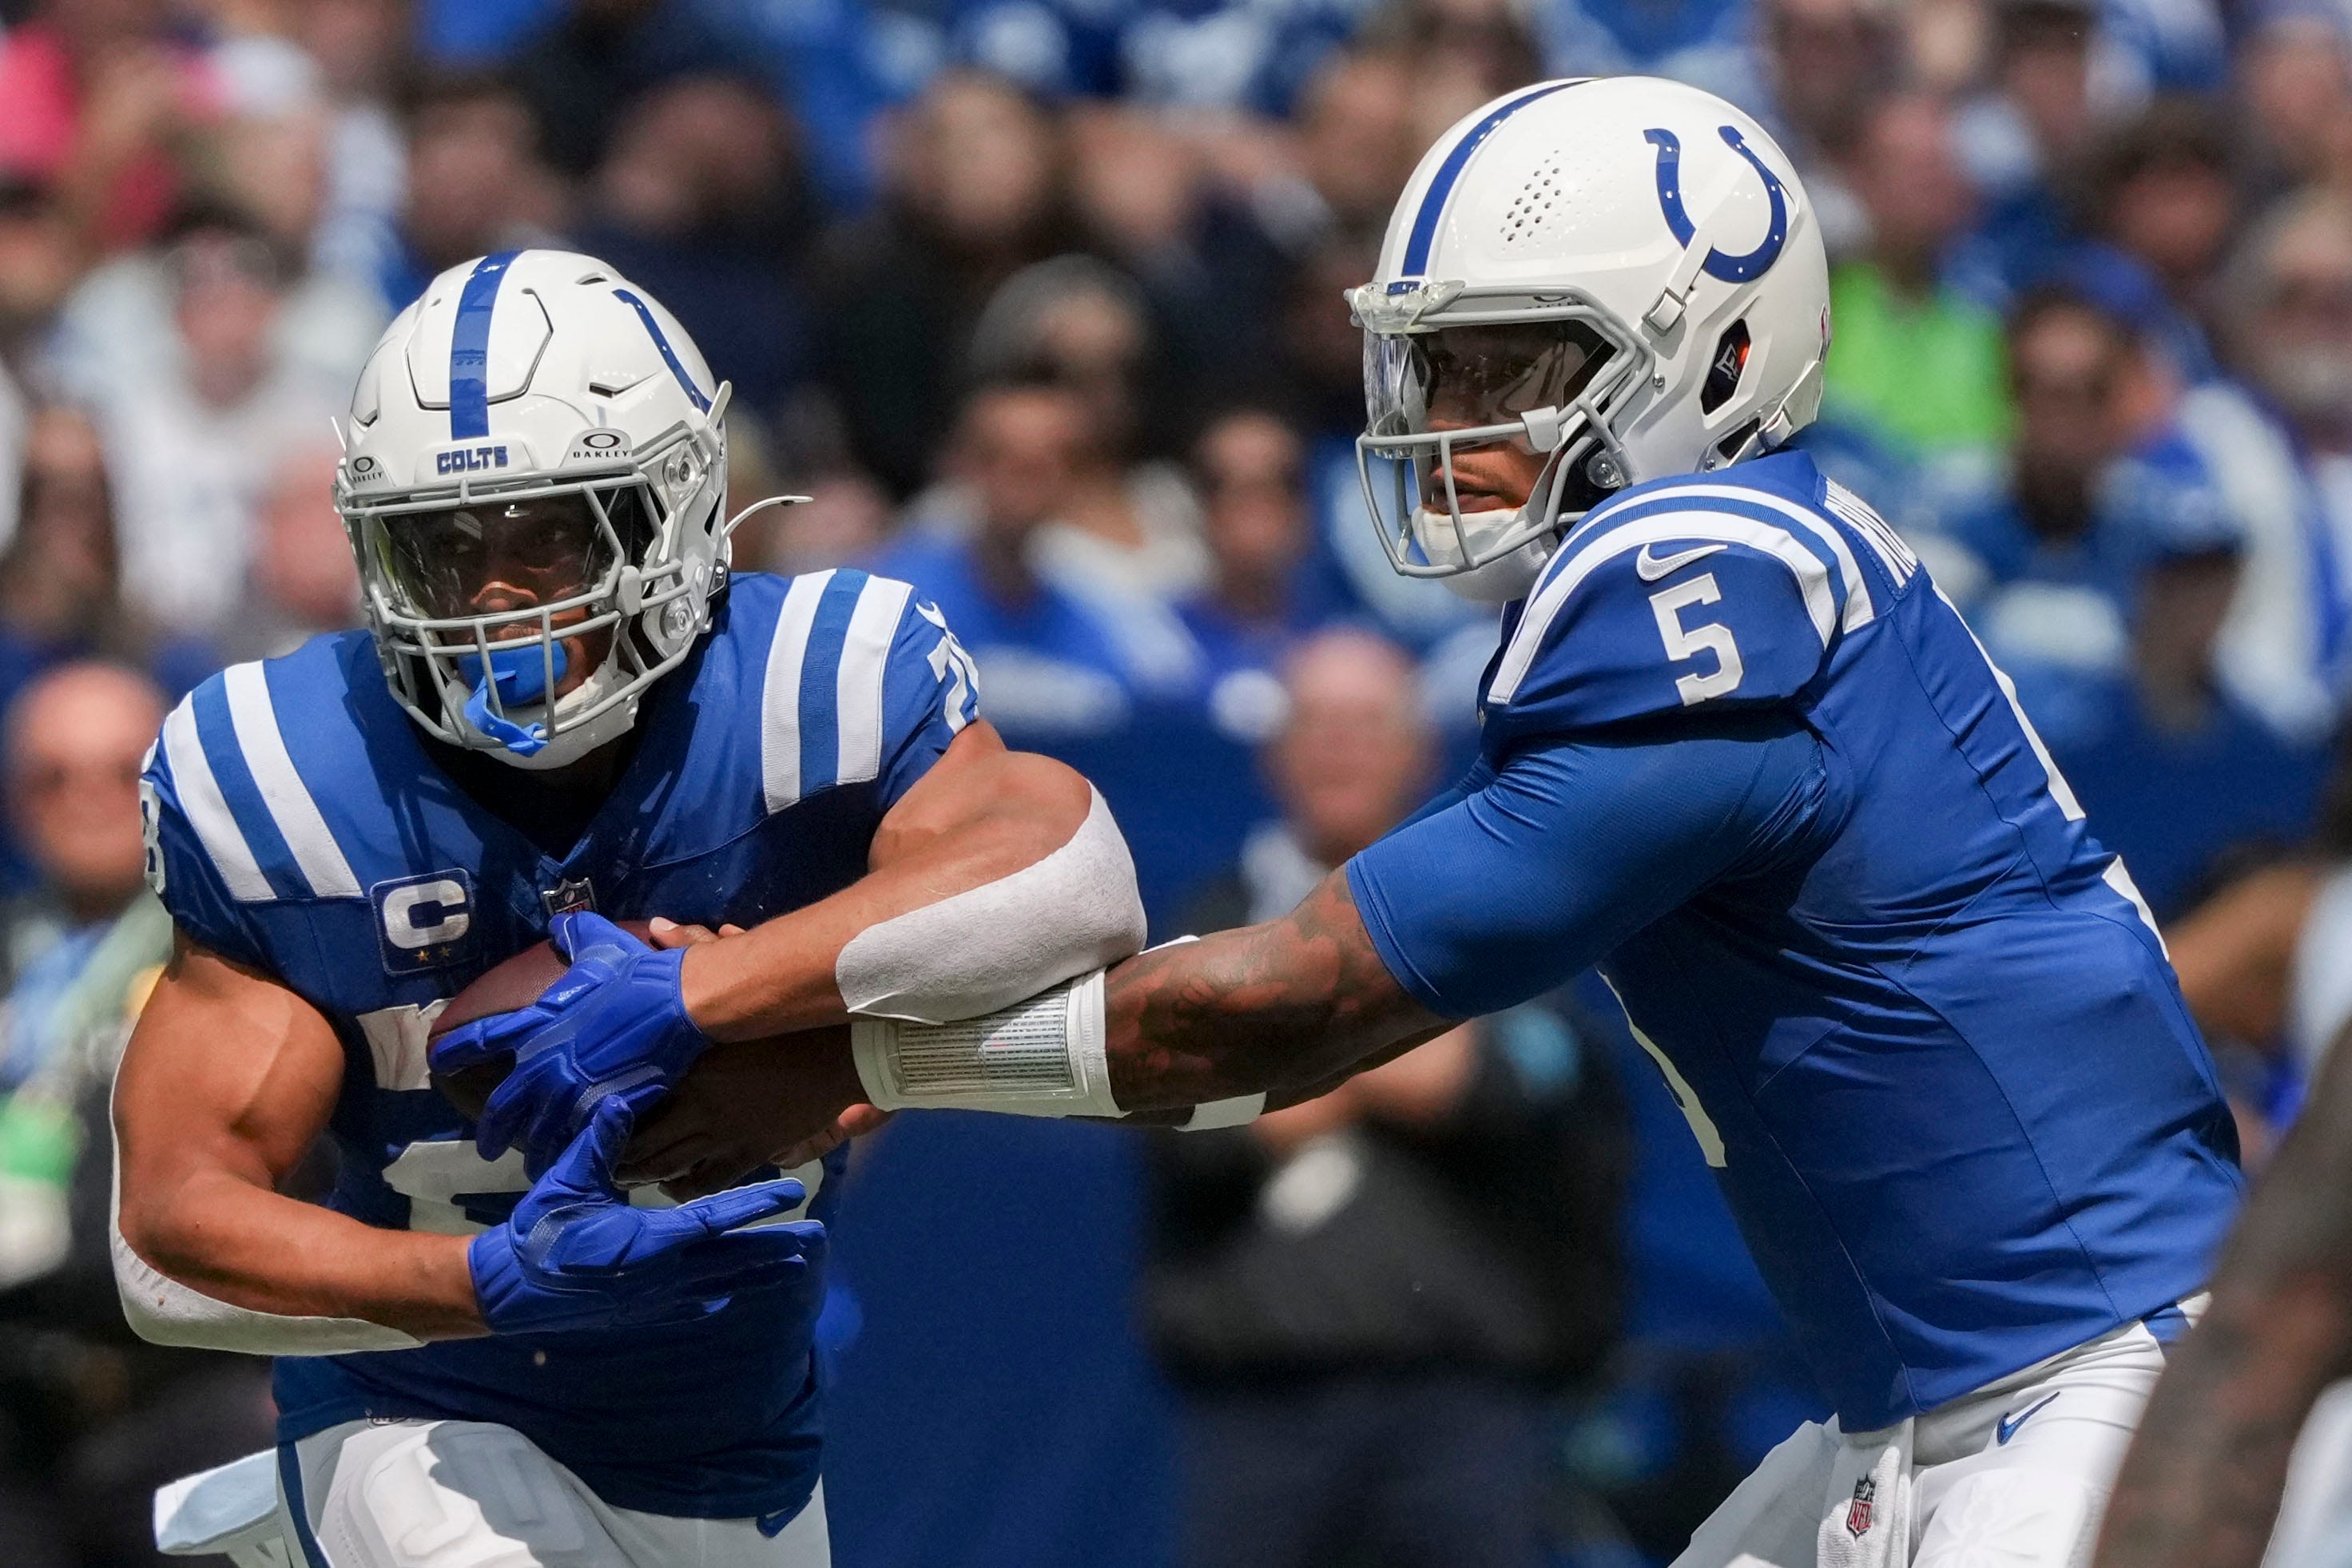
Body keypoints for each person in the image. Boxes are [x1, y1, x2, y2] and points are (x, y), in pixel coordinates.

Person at [470, 80, 2245, 1568]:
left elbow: (1293, 1003)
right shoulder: (1751, 569)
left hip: (2073, 1386)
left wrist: (829, 1055)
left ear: (1711, 354)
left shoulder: (1701, 573)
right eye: (1441, 371)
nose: (1453, 429)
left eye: (1514, 369)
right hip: (1941, 1396)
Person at [116, 248, 1149, 1566]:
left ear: (671, 509)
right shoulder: (285, 768)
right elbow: (169, 1235)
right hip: (419, 1418)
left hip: (734, 1443)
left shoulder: (810, 684)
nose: (493, 597)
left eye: (548, 532)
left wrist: (699, 992)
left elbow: (1073, 878)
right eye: (444, 546)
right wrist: (472, 1286)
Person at [1146, 629, 1628, 1568]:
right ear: (1272, 751)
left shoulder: (1505, 909)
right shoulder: (1204, 922)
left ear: (1418, 749)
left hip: (1465, 1411)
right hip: (1259, 1409)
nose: (1339, 748)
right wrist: (1403, 1037)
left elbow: (1491, 1088)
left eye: (1365, 723)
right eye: (1315, 722)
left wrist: (1281, 1045)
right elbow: (1184, 1120)